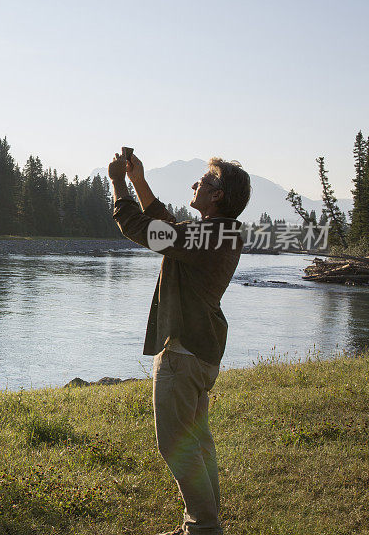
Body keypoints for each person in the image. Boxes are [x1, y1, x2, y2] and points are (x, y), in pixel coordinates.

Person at [107, 151, 251, 535]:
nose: (195, 184)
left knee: (174, 443)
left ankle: (203, 526)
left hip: (183, 355)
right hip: (201, 352)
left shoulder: (206, 235)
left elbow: (142, 228)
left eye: (203, 180)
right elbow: (168, 224)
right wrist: (138, 181)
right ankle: (204, 523)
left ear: (218, 196)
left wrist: (118, 184)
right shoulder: (218, 232)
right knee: (198, 442)